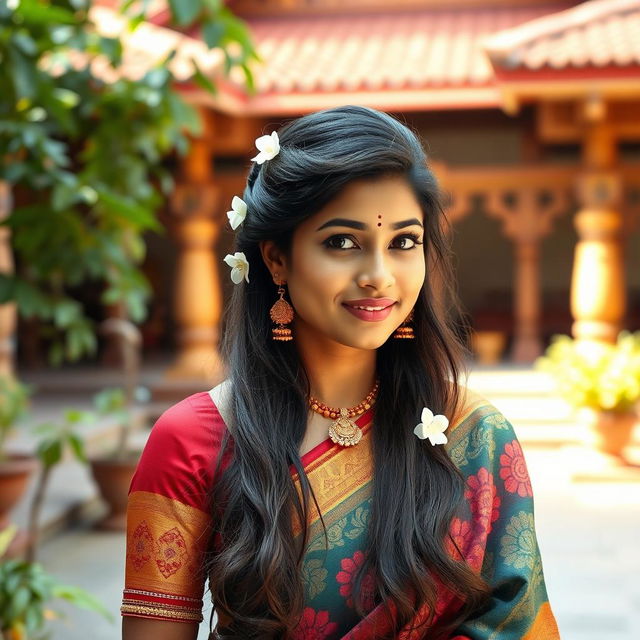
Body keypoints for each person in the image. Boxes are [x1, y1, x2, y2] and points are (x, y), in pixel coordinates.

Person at [121, 105, 560, 639]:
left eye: (403, 242)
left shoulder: (475, 435)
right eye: (342, 242)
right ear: (277, 258)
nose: (378, 275)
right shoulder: (193, 441)